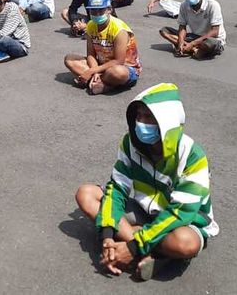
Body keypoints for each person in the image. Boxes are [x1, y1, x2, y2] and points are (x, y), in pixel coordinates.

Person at [75, 83, 219, 281]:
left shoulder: (192, 155)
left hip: (182, 222)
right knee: (86, 194)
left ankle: (136, 243)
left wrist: (132, 245)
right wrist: (107, 235)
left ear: (167, 122)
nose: (141, 123)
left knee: (186, 244)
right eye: (139, 116)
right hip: (145, 210)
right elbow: (117, 188)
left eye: (149, 118)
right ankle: (149, 252)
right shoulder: (130, 143)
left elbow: (180, 213)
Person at [64, 0, 142, 95]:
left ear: (109, 9)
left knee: (117, 73)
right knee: (69, 59)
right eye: (93, 11)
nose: (97, 14)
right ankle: (102, 82)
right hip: (102, 64)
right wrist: (95, 70)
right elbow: (91, 54)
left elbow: (119, 61)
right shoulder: (91, 25)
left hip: (124, 67)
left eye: (100, 10)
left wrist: (91, 71)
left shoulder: (119, 30)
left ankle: (96, 81)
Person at [159, 0, 225, 60]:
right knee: (164, 31)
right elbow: (182, 27)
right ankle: (193, 49)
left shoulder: (213, 5)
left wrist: (192, 44)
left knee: (210, 43)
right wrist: (181, 42)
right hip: (195, 37)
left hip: (211, 39)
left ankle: (192, 48)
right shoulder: (184, 5)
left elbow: (215, 32)